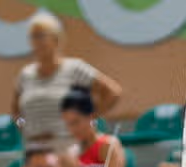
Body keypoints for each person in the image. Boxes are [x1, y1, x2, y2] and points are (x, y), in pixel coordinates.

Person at [12, 10, 120, 148]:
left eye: (41, 36)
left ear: (55, 38)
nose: (36, 42)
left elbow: (112, 92)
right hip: (35, 150)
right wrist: (24, 128)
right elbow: (16, 112)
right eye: (32, 37)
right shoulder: (25, 74)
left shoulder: (74, 69)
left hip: (70, 148)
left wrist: (88, 119)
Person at [58, 85, 124, 167]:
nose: (72, 129)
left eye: (76, 122)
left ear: (91, 116)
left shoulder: (108, 144)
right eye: (68, 124)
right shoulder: (70, 151)